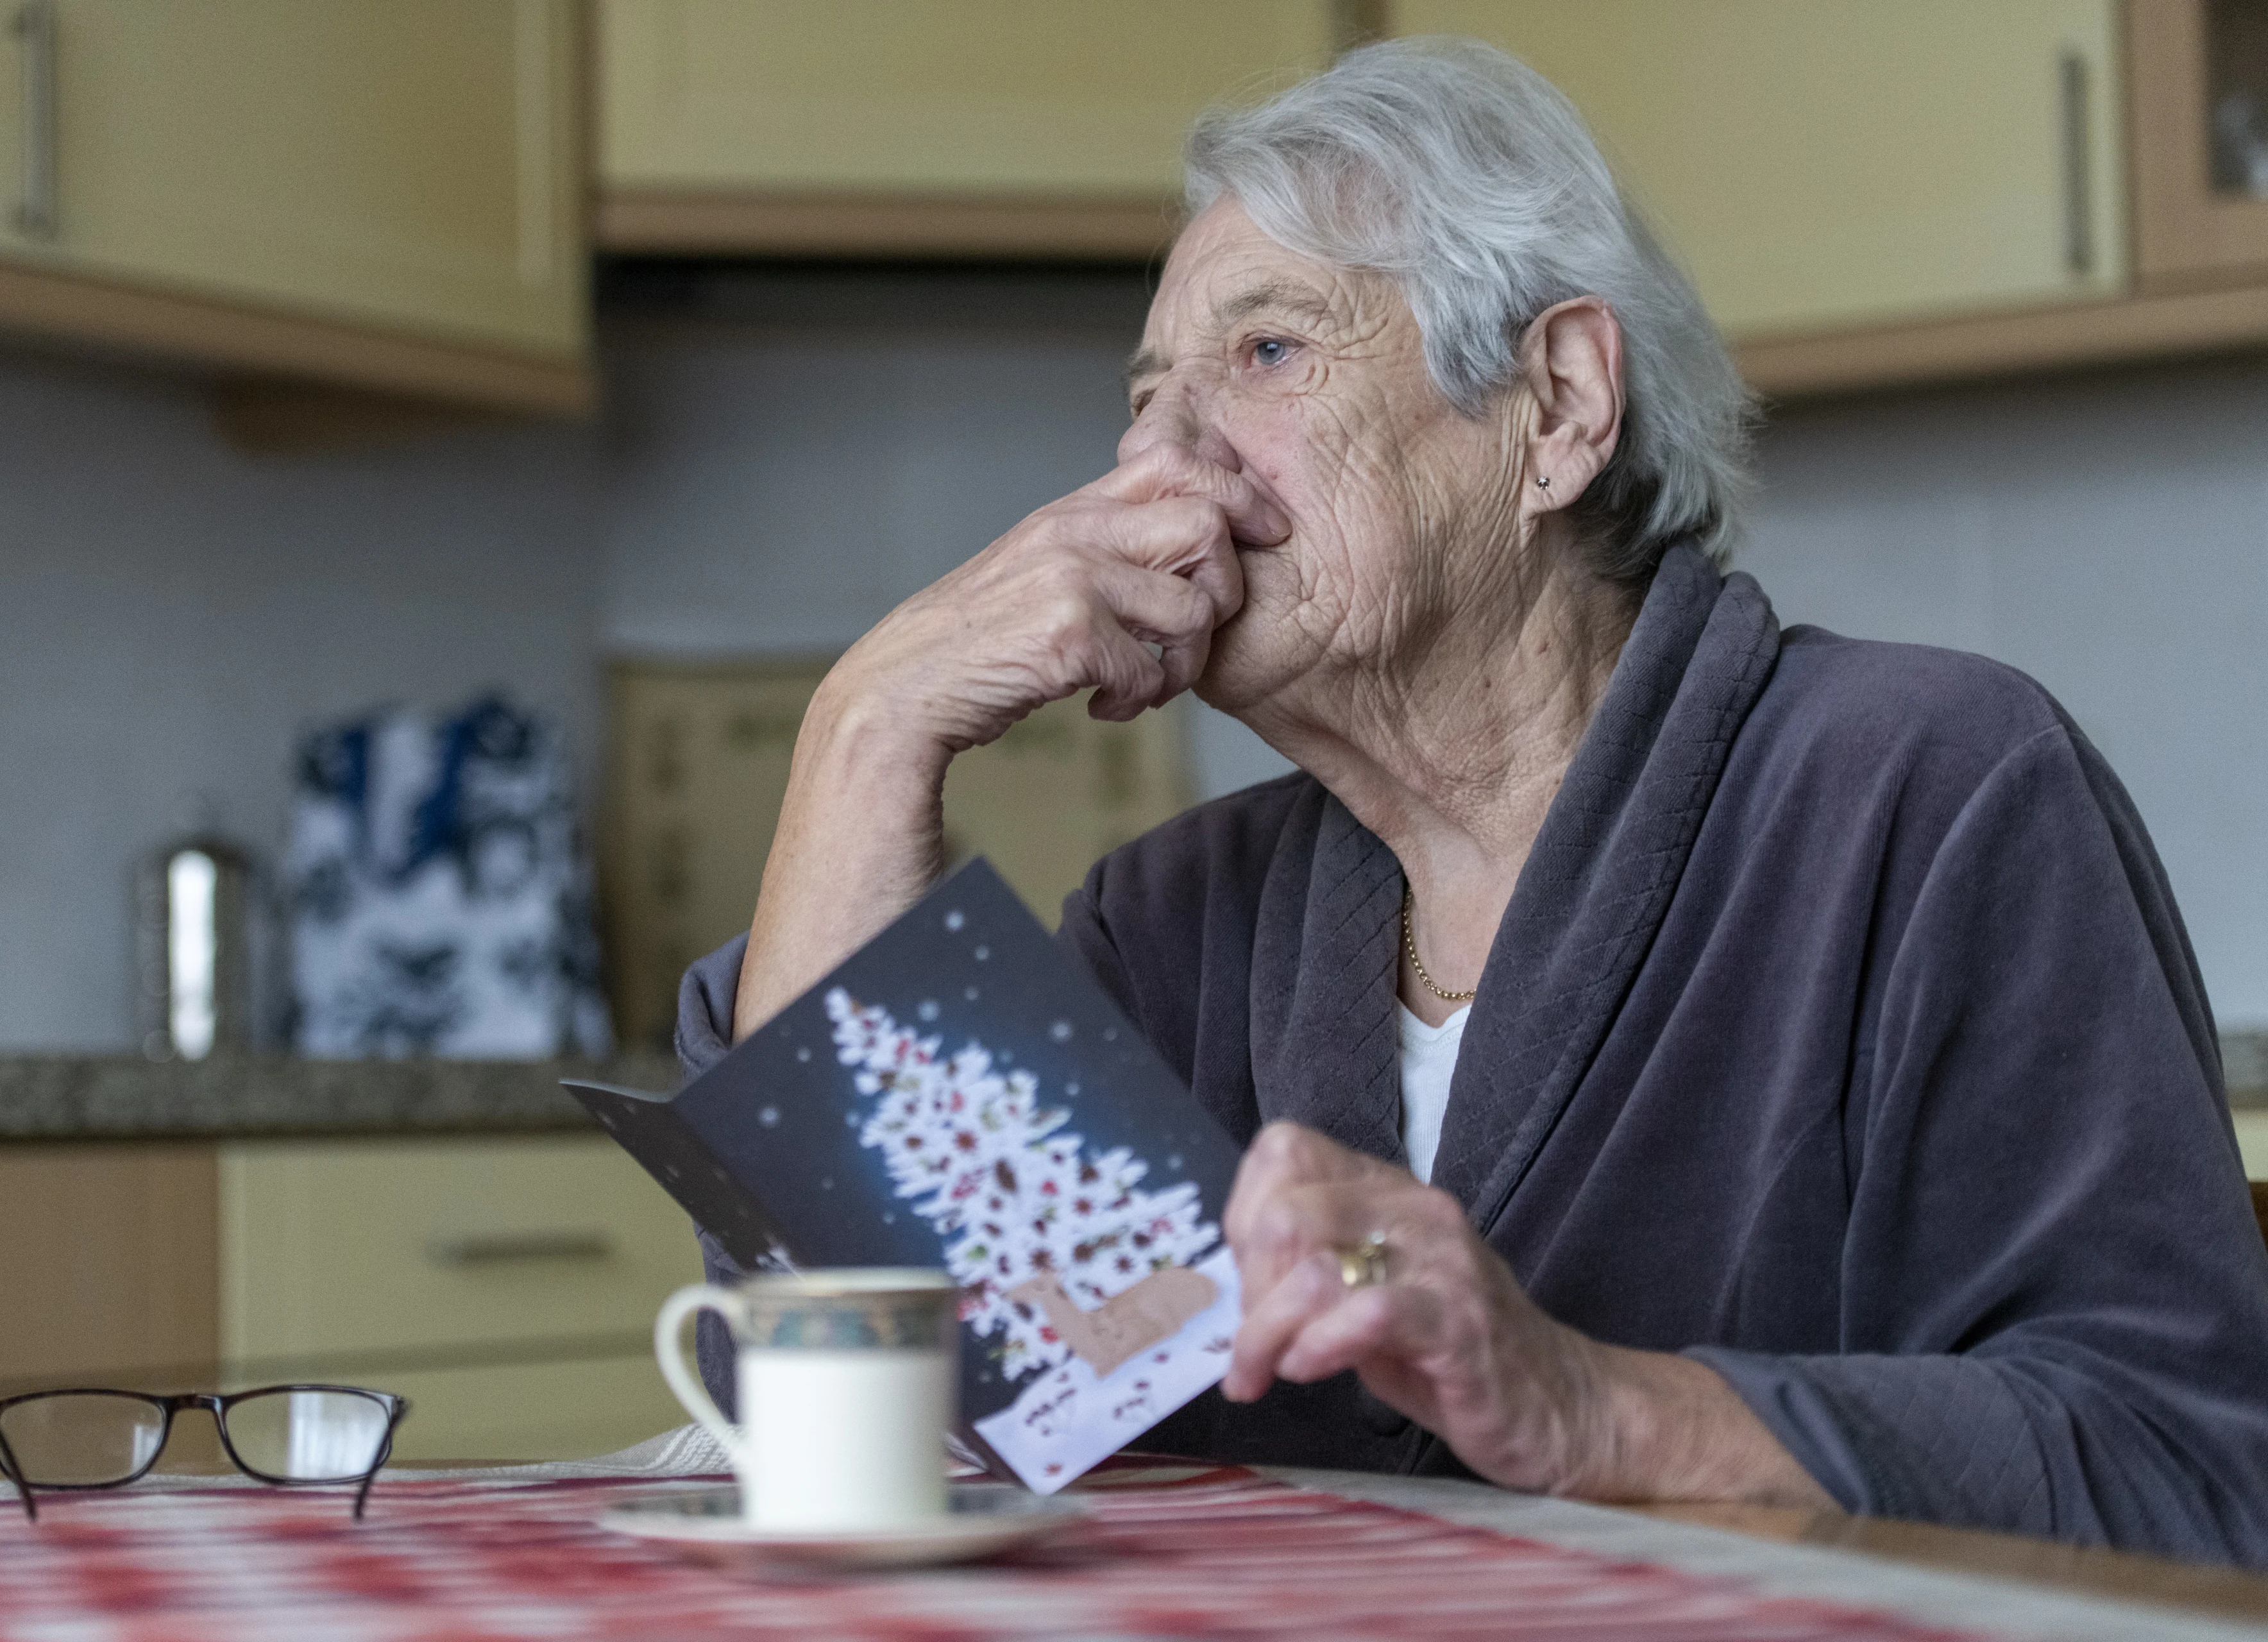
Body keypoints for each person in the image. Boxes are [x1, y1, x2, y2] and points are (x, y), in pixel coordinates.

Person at [675, 38, 2268, 1564]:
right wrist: (869, 724)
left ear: (1560, 407)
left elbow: (2179, 1467)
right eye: (1146, 399)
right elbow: (877, 1408)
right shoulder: (1174, 925)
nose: (1151, 469)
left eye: (1267, 352)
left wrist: (1585, 1401)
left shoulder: (1925, 794)